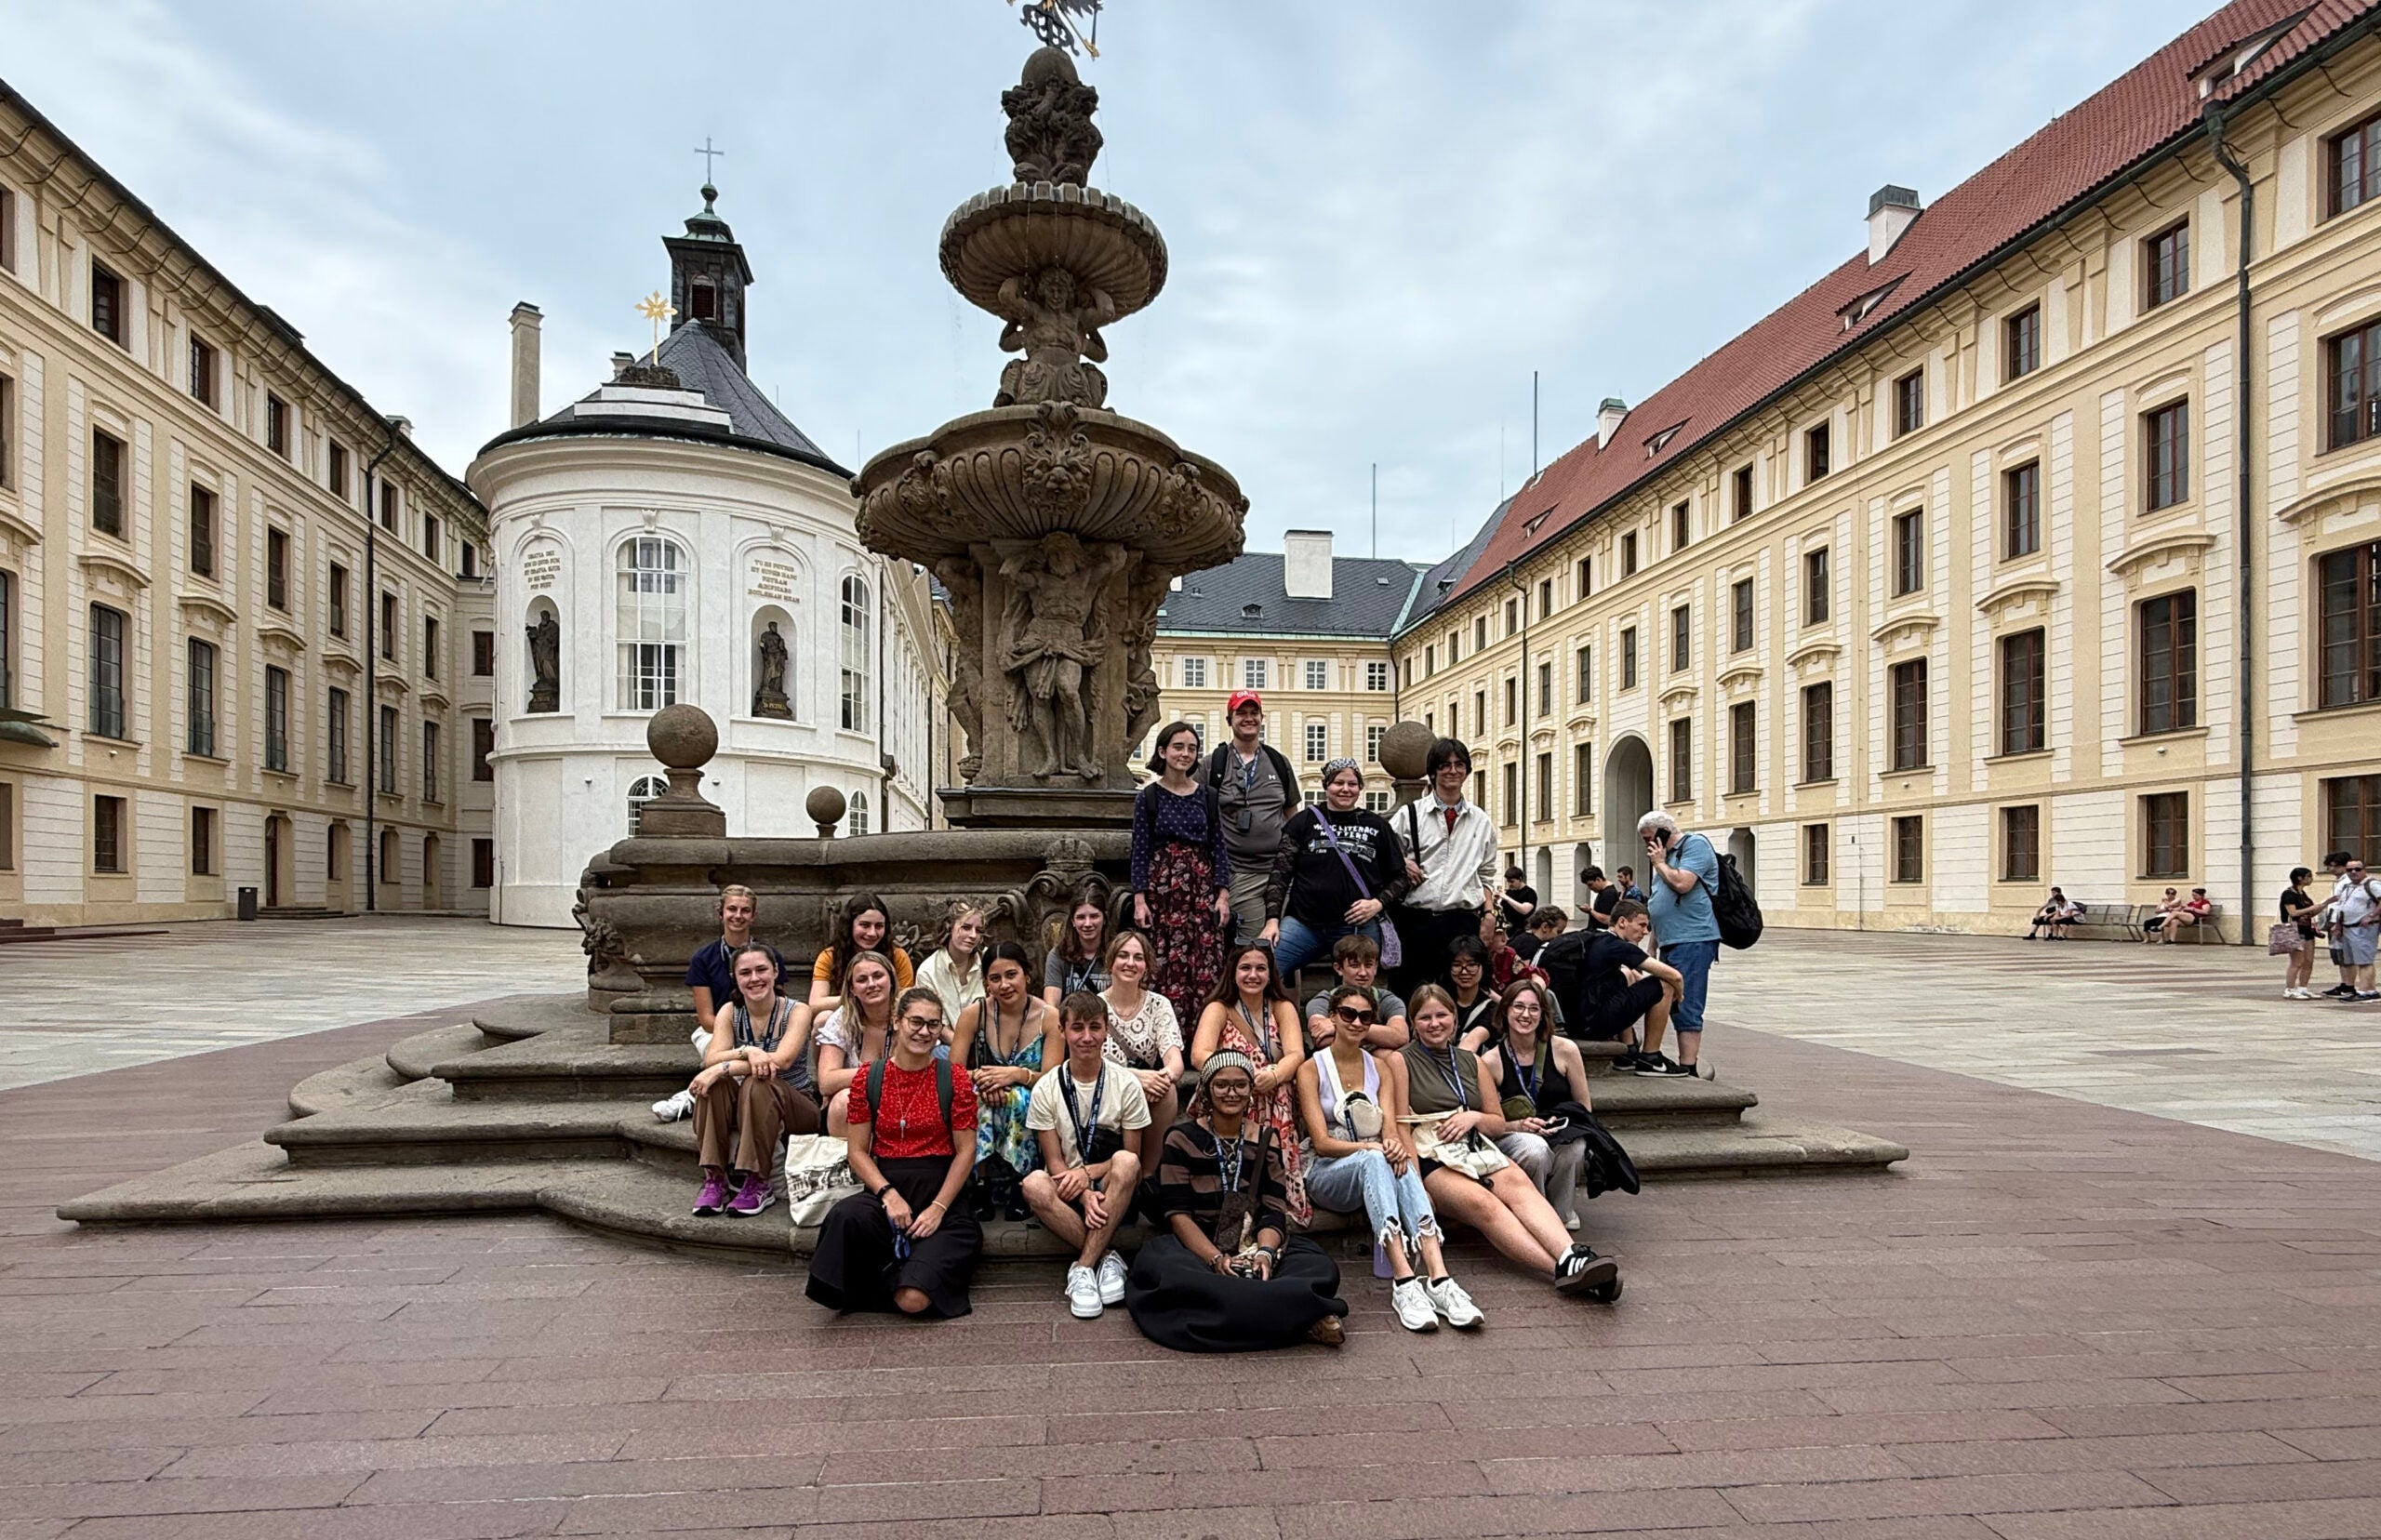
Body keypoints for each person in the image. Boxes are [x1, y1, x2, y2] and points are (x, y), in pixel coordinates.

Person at [1398, 985, 1619, 1296]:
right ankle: (1564, 1270)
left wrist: (1472, 1117)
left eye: (1442, 1015)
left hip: (1474, 1146)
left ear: (1454, 1020)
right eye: (1425, 1017)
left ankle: (1571, 1256)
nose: (1435, 1023)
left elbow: (1496, 1122)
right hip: (1429, 1156)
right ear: (1412, 1023)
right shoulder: (1399, 1061)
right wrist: (1415, 1184)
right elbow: (1399, 1126)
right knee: (1484, 1203)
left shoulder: (1471, 1062)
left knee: (1518, 1185)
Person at [1124, 1052, 1349, 1351]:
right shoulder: (1180, 1138)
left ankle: (1243, 1312)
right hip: (1198, 1246)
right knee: (1167, 1268)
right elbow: (1178, 1215)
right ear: (1206, 1091)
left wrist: (1266, 1253)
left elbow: (1273, 1210)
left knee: (1317, 1266)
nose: (1232, 1093)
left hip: (1250, 1242)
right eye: (1222, 1085)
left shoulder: (1267, 1139)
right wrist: (1215, 1259)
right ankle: (1299, 1319)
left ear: (1251, 1093)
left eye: (1240, 1085)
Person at [1296, 984, 1479, 1333]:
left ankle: (1439, 1279)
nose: (1356, 1022)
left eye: (1365, 1017)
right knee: (1378, 1159)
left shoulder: (1380, 1067)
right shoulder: (1312, 1068)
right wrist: (1376, 1148)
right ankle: (1404, 1281)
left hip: (1374, 1161)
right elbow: (1321, 1143)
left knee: (1396, 1157)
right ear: (1333, 1016)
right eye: (1348, 1014)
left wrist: (1392, 1146)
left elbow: (1391, 1129)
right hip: (1328, 1170)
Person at [805, 988, 983, 1318]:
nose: (924, 1032)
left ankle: (895, 1277)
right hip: (887, 1187)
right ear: (897, 1022)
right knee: (846, 1217)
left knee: (913, 1301)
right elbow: (857, 1151)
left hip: (941, 1193)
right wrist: (887, 1194)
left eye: (933, 1024)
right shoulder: (869, 1078)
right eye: (916, 1021)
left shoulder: (953, 1078)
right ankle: (893, 1269)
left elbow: (966, 1150)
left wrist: (937, 1209)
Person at [1022, 994, 1153, 1320]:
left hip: (1114, 1187)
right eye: (1077, 1028)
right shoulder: (1047, 1088)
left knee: (1126, 1162)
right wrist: (1082, 1193)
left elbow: (1132, 1158)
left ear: (1106, 1030)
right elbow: (1053, 1161)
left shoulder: (1126, 1083)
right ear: (1062, 1030)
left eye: (1095, 1027)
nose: (1086, 1037)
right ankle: (1106, 1255)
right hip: (1067, 1185)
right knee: (1033, 1184)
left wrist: (1088, 1175)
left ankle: (1082, 1267)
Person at [687, 943, 820, 1217]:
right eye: (745, 972)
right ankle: (715, 1178)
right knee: (715, 1087)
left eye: (761, 970)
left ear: (775, 972)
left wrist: (722, 1068)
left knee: (757, 1081)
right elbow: (713, 1056)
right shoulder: (729, 1012)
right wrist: (748, 1051)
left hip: (796, 1105)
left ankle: (758, 1181)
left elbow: (780, 1062)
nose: (754, 978)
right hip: (746, 1105)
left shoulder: (797, 1011)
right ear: (735, 977)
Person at [1259, 757, 1411, 983]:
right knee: (1265, 967)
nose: (1345, 789)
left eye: (1352, 784)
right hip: (1304, 922)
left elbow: (1401, 878)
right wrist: (1272, 920)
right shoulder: (1303, 822)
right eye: (1338, 783)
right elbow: (1280, 875)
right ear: (1326, 786)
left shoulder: (1377, 825)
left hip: (1356, 925)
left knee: (1359, 987)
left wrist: (1377, 904)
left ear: (1360, 788)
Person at [1190, 942, 1310, 1223]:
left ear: (1270, 974)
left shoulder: (1282, 1007)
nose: (1252, 975)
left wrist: (1276, 1075)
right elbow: (1199, 1055)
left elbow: (1296, 1054)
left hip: (1274, 1095)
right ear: (1233, 972)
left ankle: (1278, 1203)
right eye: (1245, 968)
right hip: (1232, 1093)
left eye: (1260, 968)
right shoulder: (1220, 1008)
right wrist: (1240, 1072)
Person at [657, 883, 791, 1122]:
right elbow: (706, 1017)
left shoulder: (769, 956)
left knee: (763, 1052)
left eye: (745, 910)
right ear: (721, 913)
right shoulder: (703, 958)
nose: (738, 916)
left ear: (753, 916)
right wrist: (735, 1037)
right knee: (721, 1051)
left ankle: (691, 1097)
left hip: (762, 1027)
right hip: (716, 1029)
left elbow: (778, 1004)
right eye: (732, 909)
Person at [1132, 721, 1232, 1028]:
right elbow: (1139, 849)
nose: (1185, 754)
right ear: (1162, 751)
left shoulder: (1208, 796)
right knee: (1164, 964)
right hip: (1163, 892)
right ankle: (1166, 1037)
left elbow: (1218, 846)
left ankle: (1200, 1036)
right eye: (1178, 747)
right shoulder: (1148, 797)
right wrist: (1140, 899)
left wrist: (1223, 894)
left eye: (1191, 749)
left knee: (1204, 962)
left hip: (1200, 891)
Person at [951, 940, 1060, 1217]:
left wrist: (1016, 1075)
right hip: (985, 1091)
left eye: (1011, 975)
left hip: (1032, 1094)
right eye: (995, 978)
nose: (1004, 985)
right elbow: (951, 1074)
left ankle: (1021, 1180)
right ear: (986, 982)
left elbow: (1052, 1078)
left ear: (1027, 974)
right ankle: (980, 1182)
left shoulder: (1049, 1017)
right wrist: (985, 1079)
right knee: (976, 1098)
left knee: (1019, 1097)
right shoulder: (974, 1014)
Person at [1476, 979, 1595, 1232]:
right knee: (1536, 1149)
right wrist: (1518, 1125)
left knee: (1575, 1147)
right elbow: (1487, 1123)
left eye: (1533, 1008)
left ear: (1543, 1014)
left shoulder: (1566, 1050)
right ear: (1505, 1011)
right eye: (1518, 1007)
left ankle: (1562, 1211)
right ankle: (1535, 1212)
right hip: (1514, 1133)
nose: (1525, 1015)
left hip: (1559, 1128)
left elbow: (1584, 1107)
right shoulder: (1491, 1061)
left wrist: (1562, 1124)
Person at [1385, 737, 1499, 999]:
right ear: (1433, 771)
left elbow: (1486, 874)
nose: (1452, 771)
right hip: (1417, 920)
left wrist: (1489, 914)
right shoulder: (1409, 814)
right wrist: (1402, 863)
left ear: (1467, 771)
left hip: (1462, 920)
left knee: (1460, 994)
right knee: (1409, 993)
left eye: (1459, 765)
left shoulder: (1480, 820)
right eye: (1445, 765)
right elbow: (1383, 856)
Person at [1205, 690, 1302, 947]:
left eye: (1253, 713)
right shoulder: (1213, 764)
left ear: (1262, 718)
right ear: (1229, 720)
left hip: (1280, 873)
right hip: (1240, 872)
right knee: (1254, 947)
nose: (1248, 718)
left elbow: (1292, 816)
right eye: (1241, 713)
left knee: (1283, 944)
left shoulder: (1278, 762)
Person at [1098, 929, 1185, 1178]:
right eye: (1123, 956)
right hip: (1103, 1089)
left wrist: (1162, 1077)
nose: (1130, 963)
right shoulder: (1094, 1005)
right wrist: (1135, 1077)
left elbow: (1175, 1061)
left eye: (1138, 958)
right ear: (1111, 962)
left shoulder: (1159, 1005)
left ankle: (1147, 1175)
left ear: (1146, 966)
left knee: (1167, 1090)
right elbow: (1088, 1065)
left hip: (1147, 1091)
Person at [1638, 811, 1718, 1077]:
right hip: (1671, 940)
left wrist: (1659, 863)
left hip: (1693, 938)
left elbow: (1683, 884)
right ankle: (1680, 1061)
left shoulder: (1695, 846)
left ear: (1663, 832)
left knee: (1688, 1002)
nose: (1647, 844)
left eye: (1649, 838)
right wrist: (1652, 945)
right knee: (1668, 999)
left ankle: (1689, 1067)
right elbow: (1660, 902)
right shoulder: (1666, 857)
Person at [1574, 899, 1686, 1074]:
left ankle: (1628, 1050)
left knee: (1628, 974)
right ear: (1622, 922)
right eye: (1641, 925)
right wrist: (1678, 994)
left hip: (1581, 1021)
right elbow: (1675, 976)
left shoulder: (1597, 938)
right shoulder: (1618, 946)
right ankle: (1651, 1058)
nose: (1645, 932)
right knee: (1665, 985)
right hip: (1595, 1025)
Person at [814, 950, 901, 1135]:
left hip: (901, 1101)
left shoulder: (908, 1016)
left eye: (878, 976)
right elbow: (826, 1082)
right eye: (862, 979)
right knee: (846, 1099)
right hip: (851, 1109)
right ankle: (848, 1163)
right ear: (852, 989)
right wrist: (882, 1071)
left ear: (891, 979)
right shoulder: (842, 1019)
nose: (872, 984)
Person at [1301, 933, 1411, 1050]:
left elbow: (1400, 1037)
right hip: (1336, 1062)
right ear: (1338, 968)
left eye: (1368, 965)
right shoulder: (1323, 1001)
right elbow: (1322, 1039)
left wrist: (1340, 1027)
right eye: (1355, 965)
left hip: (1375, 1062)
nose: (1363, 973)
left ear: (1376, 967)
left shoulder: (1387, 1000)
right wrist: (1378, 1037)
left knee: (1388, 1056)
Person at [810, 892, 916, 1011]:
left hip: (886, 1017)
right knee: (823, 1018)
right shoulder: (830, 956)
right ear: (850, 926)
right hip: (845, 1015)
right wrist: (861, 995)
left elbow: (906, 1000)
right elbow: (815, 1004)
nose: (872, 933)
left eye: (879, 926)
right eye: (865, 925)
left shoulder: (898, 956)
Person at [914, 900, 991, 1024]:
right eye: (966, 927)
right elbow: (935, 1023)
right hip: (946, 1041)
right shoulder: (928, 971)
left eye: (979, 930)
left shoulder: (989, 961)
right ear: (949, 927)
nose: (973, 935)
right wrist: (961, 1043)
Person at [1043, 893, 1112, 1010]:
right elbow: (1051, 1006)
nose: (1088, 924)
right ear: (1073, 922)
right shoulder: (1058, 955)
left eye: (1094, 916)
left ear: (1104, 919)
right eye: (1081, 917)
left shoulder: (1117, 953)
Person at [2334, 856, 2381, 1002]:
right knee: (2351, 960)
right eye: (2349, 870)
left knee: (2364, 961)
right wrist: (2338, 925)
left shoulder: (2372, 884)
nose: (2353, 872)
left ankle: (2367, 992)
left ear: (2364, 870)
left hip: (2364, 928)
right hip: (2348, 928)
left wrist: (2372, 916)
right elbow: (2342, 907)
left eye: (2357, 869)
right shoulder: (2349, 886)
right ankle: (2366, 989)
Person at [2281, 869, 2328, 1000]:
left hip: (2307, 930)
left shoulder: (2303, 895)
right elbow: (2293, 913)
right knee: (2297, 962)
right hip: (2295, 930)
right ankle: (2289, 988)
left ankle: (2303, 987)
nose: (2311, 879)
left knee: (2308, 961)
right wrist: (2310, 908)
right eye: (2309, 876)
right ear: (2300, 878)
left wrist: (2322, 906)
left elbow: (2310, 913)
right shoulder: (2289, 894)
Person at [1443, 935, 1499, 1044]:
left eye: (1472, 965)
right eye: (1457, 965)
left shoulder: (1492, 1009)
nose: (1464, 972)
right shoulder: (1439, 1002)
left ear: (1483, 968)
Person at [2321, 853, 2358, 997]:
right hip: (2334, 919)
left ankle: (2349, 985)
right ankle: (2344, 984)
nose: (2330, 869)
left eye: (2333, 866)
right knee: (2338, 955)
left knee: (2345, 955)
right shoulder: (2340, 881)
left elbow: (2342, 903)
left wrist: (2337, 923)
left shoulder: (2347, 881)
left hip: (2341, 921)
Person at [2149, 886, 2214, 943]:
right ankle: (2172, 940)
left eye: (2195, 895)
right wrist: (2177, 908)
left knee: (2175, 913)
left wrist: (2193, 909)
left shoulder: (2204, 902)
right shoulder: (2191, 903)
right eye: (2193, 895)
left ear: (2201, 895)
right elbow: (2181, 909)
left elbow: (2205, 912)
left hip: (2195, 918)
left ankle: (2160, 927)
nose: (2193, 897)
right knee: (2174, 921)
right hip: (2186, 917)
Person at [1496, 864, 1537, 935]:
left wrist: (1506, 898)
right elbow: (1502, 909)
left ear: (1520, 879)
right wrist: (1495, 901)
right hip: (1508, 929)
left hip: (1522, 930)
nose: (1509, 884)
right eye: (1507, 881)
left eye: (1512, 881)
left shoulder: (1530, 893)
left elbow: (1524, 910)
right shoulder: (1509, 892)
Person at [1580, 867, 1620, 934]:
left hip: (1601, 933)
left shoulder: (1608, 894)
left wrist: (1590, 910)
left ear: (1598, 879)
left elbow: (1607, 919)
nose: (1590, 888)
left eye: (1590, 884)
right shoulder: (1604, 892)